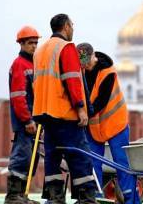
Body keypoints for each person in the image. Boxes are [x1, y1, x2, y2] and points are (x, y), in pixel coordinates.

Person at [32, 14, 97, 203]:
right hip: (65, 114)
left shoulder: (40, 50)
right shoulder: (66, 47)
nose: (73, 29)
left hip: (45, 114)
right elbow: (72, 80)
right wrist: (81, 108)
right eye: (72, 25)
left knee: (52, 158)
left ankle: (55, 198)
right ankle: (86, 199)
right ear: (66, 26)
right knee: (79, 156)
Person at [76, 43, 140, 204]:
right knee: (92, 162)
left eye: (87, 63)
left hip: (115, 124)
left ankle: (131, 200)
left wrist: (83, 114)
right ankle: (95, 199)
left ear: (93, 56)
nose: (85, 67)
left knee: (122, 164)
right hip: (94, 125)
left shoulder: (108, 73)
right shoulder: (81, 71)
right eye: (82, 64)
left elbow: (101, 101)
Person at [5, 26, 41, 204]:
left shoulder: (33, 64)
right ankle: (13, 196)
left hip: (35, 120)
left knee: (31, 159)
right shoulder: (20, 64)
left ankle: (22, 195)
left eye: (36, 43)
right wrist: (27, 120)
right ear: (21, 44)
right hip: (25, 121)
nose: (34, 46)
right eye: (30, 43)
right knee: (22, 156)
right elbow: (18, 96)